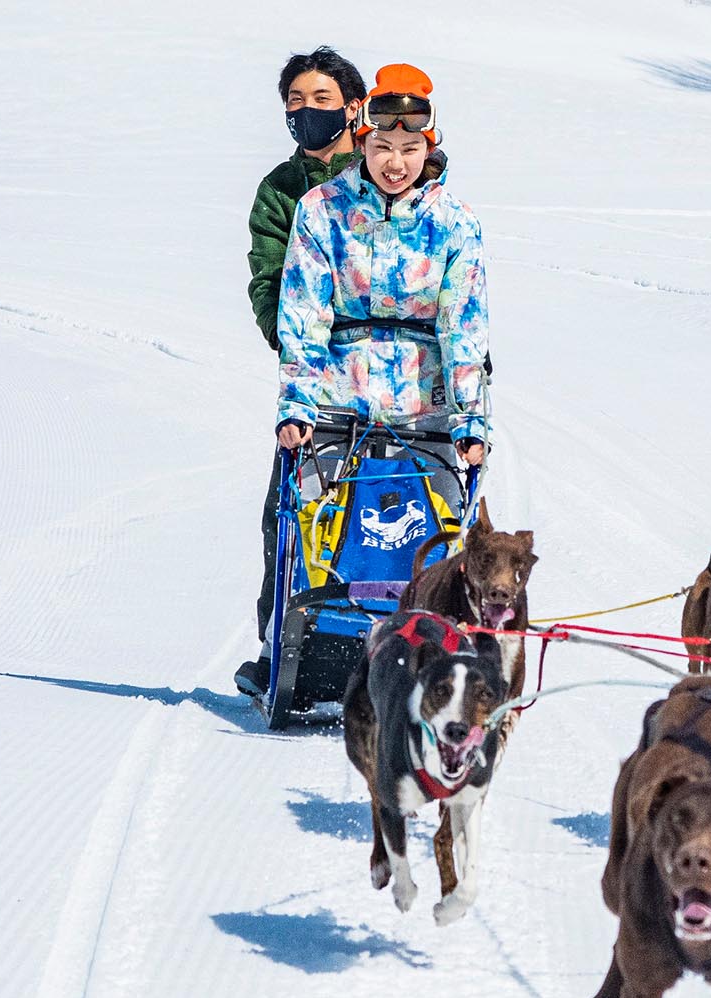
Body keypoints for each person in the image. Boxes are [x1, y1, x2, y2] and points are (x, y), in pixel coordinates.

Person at [239, 62, 491, 694]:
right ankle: (293, 651)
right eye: (383, 148)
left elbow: (464, 328)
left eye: (409, 149)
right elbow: (302, 316)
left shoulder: (455, 223)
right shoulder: (321, 211)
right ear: (365, 143)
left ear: (429, 146)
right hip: (335, 402)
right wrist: (295, 406)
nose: (395, 162)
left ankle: (439, 664)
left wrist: (471, 419)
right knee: (312, 531)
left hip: (423, 406)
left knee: (434, 544)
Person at [249, 47, 367, 352]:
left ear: (353, 108)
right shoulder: (279, 188)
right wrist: (283, 335)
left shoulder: (381, 173)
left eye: (321, 98)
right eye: (296, 99)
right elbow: (268, 276)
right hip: (314, 358)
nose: (306, 108)